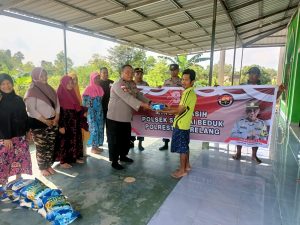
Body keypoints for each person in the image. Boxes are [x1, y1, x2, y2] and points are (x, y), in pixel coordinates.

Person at [232, 66, 285, 163]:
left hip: (258, 114)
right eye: (250, 73)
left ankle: (254, 155)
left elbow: (272, 98)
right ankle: (238, 152)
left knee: (256, 134)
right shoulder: (242, 85)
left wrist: (280, 91)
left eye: (254, 73)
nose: (251, 75)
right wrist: (219, 89)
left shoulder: (263, 88)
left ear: (258, 76)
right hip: (244, 113)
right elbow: (232, 94)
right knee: (240, 133)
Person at [107, 64, 151, 170]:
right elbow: (128, 98)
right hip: (115, 118)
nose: (130, 74)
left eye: (131, 72)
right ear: (121, 73)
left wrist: (149, 102)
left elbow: (138, 95)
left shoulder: (132, 83)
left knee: (125, 139)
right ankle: (114, 161)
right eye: (127, 72)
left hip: (126, 117)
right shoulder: (118, 84)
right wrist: (144, 105)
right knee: (115, 141)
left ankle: (123, 156)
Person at [160, 69, 197, 178]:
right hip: (184, 124)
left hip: (181, 125)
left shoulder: (188, 93)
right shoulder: (188, 92)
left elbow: (178, 111)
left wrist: (162, 110)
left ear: (192, 81)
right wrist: (169, 108)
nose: (183, 82)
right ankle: (187, 166)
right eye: (182, 79)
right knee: (185, 146)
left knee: (182, 149)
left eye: (186, 80)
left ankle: (182, 170)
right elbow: (182, 109)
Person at [25, 67, 60, 176]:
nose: (45, 77)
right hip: (39, 123)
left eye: (45, 75)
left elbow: (57, 104)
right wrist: (45, 120)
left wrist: (57, 116)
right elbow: (31, 110)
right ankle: (42, 167)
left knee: (50, 145)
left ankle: (48, 165)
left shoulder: (50, 89)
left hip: (53, 121)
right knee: (41, 147)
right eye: (41, 76)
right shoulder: (32, 91)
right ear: (35, 77)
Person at [0, 73, 32, 185]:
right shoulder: (0, 101)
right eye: (2, 84)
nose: (6, 86)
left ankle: (18, 180)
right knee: (3, 161)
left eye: (8, 83)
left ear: (12, 84)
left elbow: (24, 116)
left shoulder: (18, 99)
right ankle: (3, 185)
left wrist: (28, 131)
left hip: (20, 136)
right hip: (5, 138)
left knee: (20, 158)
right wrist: (5, 137)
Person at [55, 75, 84, 168]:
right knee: (65, 141)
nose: (71, 85)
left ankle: (74, 157)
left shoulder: (73, 94)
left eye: (72, 83)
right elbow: (58, 113)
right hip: (65, 124)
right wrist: (60, 126)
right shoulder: (60, 95)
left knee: (75, 140)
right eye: (68, 83)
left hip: (74, 124)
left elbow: (77, 109)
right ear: (63, 83)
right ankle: (63, 161)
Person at [159, 63, 182, 151]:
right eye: (171, 70)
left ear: (178, 70)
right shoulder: (166, 81)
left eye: (175, 70)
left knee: (177, 125)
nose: (173, 72)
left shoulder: (181, 81)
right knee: (167, 124)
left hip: (178, 106)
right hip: (168, 106)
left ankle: (177, 144)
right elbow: (163, 93)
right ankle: (165, 144)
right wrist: (159, 88)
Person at [82, 72, 105, 154]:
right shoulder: (88, 89)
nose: (98, 80)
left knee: (99, 128)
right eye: (96, 78)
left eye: (98, 78)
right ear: (92, 79)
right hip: (91, 113)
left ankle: (96, 146)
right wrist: (85, 112)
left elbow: (100, 101)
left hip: (99, 112)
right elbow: (84, 102)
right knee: (94, 129)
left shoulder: (100, 89)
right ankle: (93, 147)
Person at [130, 67, 149, 151]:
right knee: (132, 125)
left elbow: (150, 94)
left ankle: (140, 143)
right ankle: (131, 142)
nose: (139, 75)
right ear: (134, 74)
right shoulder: (130, 83)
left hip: (142, 107)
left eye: (141, 73)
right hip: (132, 108)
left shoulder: (145, 84)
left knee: (141, 125)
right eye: (137, 73)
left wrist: (158, 88)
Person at [98, 67, 114, 139]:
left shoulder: (112, 83)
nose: (105, 74)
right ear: (100, 73)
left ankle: (109, 139)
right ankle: (100, 141)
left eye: (106, 72)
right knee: (100, 125)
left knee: (110, 126)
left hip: (110, 108)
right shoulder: (97, 83)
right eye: (104, 72)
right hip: (100, 108)